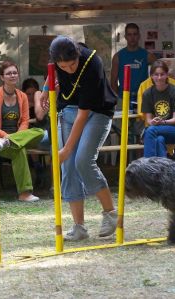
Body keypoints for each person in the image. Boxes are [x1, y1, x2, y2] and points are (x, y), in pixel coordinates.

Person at [40, 36, 118, 241]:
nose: (68, 69)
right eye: (63, 66)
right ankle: (79, 227)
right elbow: (53, 71)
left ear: (77, 56)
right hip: (69, 111)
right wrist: (45, 90)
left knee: (82, 160)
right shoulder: (57, 60)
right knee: (69, 168)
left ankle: (110, 214)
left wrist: (66, 150)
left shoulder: (92, 63)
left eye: (72, 64)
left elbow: (84, 115)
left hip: (97, 111)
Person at [0, 61, 45, 202]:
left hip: (15, 139)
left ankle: (13, 142)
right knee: (19, 150)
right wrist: (5, 137)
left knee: (40, 132)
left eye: (14, 72)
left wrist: (14, 137)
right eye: (9, 73)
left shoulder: (22, 96)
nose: (12, 75)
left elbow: (24, 121)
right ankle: (24, 193)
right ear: (2, 77)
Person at [141, 60, 175, 157]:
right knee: (159, 140)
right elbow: (148, 120)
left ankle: (148, 166)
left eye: (162, 74)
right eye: (156, 74)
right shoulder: (147, 93)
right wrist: (153, 122)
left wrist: (162, 122)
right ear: (151, 76)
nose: (159, 78)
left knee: (149, 131)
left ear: (167, 75)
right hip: (156, 129)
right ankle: (162, 168)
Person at [111, 23, 156, 110]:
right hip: (123, 98)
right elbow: (113, 82)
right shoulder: (118, 56)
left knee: (142, 123)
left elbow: (160, 74)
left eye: (135, 34)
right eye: (129, 34)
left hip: (142, 98)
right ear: (125, 37)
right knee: (122, 124)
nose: (132, 37)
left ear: (139, 36)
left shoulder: (147, 55)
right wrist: (118, 99)